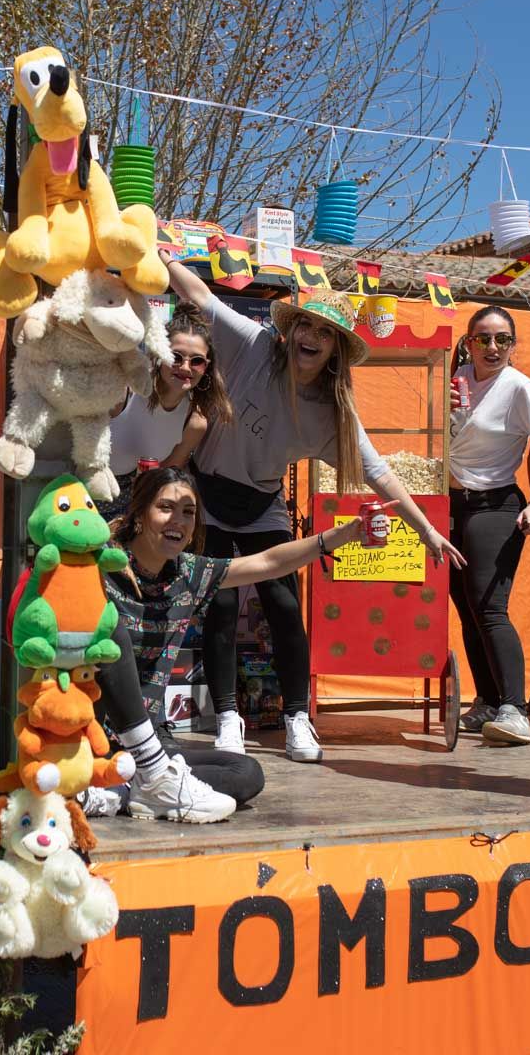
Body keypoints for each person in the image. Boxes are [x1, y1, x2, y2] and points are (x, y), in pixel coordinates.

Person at [164, 258, 465, 762]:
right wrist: (160, 253)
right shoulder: (258, 347)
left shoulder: (333, 414)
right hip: (208, 493)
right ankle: (229, 717)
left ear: (334, 351)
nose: (310, 336)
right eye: (305, 324)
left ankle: (297, 717)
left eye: (323, 334)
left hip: (263, 504)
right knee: (217, 603)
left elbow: (382, 475)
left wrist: (427, 531)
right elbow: (199, 298)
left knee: (283, 604)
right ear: (292, 331)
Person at [92, 466, 383, 821]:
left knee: (246, 773)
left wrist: (338, 536)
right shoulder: (100, 566)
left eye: (188, 512)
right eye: (165, 508)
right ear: (139, 513)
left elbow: (267, 561)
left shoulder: (190, 573)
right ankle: (128, 780)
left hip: (154, 743)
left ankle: (124, 790)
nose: (178, 521)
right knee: (108, 627)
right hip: (92, 736)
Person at [448, 306, 530, 746]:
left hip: (496, 504)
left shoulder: (521, 389)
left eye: (502, 339)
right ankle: (489, 701)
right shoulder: (457, 376)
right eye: (483, 338)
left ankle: (516, 709)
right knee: (467, 606)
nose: (492, 347)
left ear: (514, 345)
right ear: (469, 342)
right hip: (453, 503)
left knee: (490, 605)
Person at [99, 301, 233, 520]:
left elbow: (163, 479)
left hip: (136, 509)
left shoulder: (195, 422)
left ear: (206, 367)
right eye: (176, 357)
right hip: (84, 498)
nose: (186, 368)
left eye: (197, 361)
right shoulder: (126, 390)